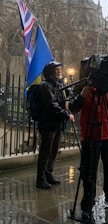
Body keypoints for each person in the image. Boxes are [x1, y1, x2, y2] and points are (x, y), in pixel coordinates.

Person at [69, 86, 108, 219]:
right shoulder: (84, 86)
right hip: (90, 135)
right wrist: (82, 95)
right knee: (88, 171)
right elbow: (72, 107)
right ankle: (88, 203)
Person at [36, 61, 75, 189]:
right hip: (47, 124)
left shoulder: (59, 85)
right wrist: (67, 115)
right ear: (50, 72)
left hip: (57, 123)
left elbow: (70, 93)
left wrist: (68, 101)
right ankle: (40, 179)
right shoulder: (45, 86)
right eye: (56, 70)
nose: (59, 71)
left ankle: (49, 174)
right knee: (45, 151)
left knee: (54, 150)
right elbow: (52, 105)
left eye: (60, 69)